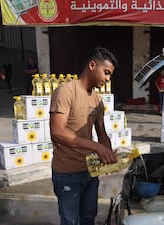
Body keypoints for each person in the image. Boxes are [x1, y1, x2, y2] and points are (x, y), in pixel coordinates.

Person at [49, 47, 118, 225]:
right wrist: (96, 147)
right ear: (92, 65)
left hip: (90, 171)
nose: (108, 79)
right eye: (106, 73)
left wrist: (109, 155)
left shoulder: (97, 101)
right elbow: (57, 132)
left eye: (110, 75)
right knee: (71, 221)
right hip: (67, 172)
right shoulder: (66, 91)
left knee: (89, 217)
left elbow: (101, 133)